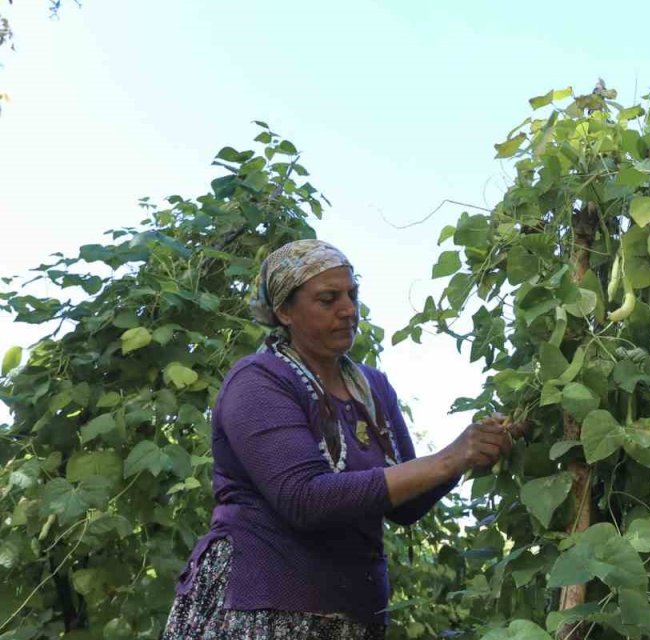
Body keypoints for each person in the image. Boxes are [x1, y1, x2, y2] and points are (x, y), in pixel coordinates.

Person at [162, 239, 523, 640]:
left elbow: (406, 506)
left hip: (354, 614)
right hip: (261, 611)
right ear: (284, 311)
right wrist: (446, 459)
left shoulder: (373, 389)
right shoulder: (259, 382)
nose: (348, 310)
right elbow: (305, 498)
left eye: (352, 294)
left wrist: (475, 452)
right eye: (328, 299)